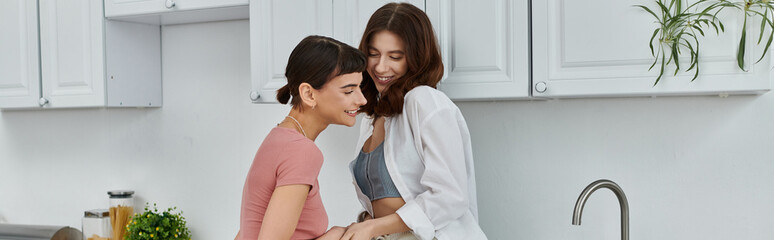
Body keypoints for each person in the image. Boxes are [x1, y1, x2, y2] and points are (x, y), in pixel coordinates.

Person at [340, 3, 487, 240]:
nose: (380, 67)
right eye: (373, 54)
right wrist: (365, 223)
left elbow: (450, 196)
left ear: (416, 58)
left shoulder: (425, 101)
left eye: (395, 56)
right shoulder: (375, 115)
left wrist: (372, 228)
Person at [236, 35, 367, 240]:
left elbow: (246, 231)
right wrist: (334, 236)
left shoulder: (278, 138)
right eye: (349, 90)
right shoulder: (301, 151)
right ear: (309, 94)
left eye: (360, 88)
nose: (362, 99)